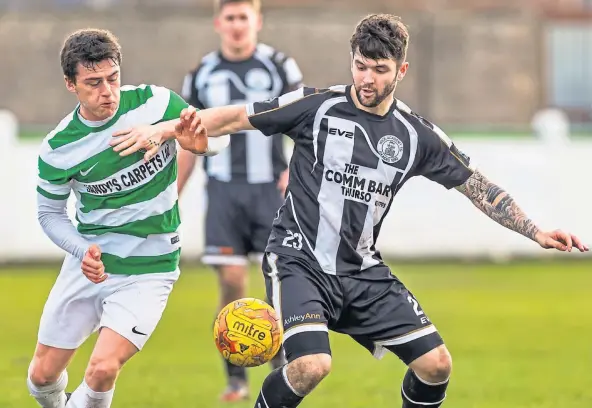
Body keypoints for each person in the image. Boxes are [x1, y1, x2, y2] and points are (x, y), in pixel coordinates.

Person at [112, 14, 589, 408]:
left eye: (379, 69)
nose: (366, 78)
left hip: (362, 271)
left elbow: (477, 186)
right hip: (297, 260)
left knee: (436, 365)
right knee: (310, 365)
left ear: (400, 72)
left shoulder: (416, 136)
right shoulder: (316, 106)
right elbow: (235, 116)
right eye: (361, 66)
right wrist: (165, 130)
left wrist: (536, 231)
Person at [29, 28, 226, 408]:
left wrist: (203, 145)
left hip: (150, 268)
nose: (108, 91)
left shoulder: (155, 103)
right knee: (41, 376)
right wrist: (82, 249)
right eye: (93, 82)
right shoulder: (58, 148)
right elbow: (49, 213)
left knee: (102, 369)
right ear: (70, 84)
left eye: (113, 77)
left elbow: (216, 132)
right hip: (90, 264)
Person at [177, 0, 303, 400]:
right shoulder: (201, 74)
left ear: (257, 21)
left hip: (270, 190)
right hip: (224, 191)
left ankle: (279, 364)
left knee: (276, 283)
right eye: (229, 18)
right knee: (232, 280)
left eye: (243, 18)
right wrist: (172, 196)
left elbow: (305, 123)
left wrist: (295, 175)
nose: (236, 25)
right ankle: (235, 375)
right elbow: (186, 140)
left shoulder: (280, 66)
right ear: (218, 23)